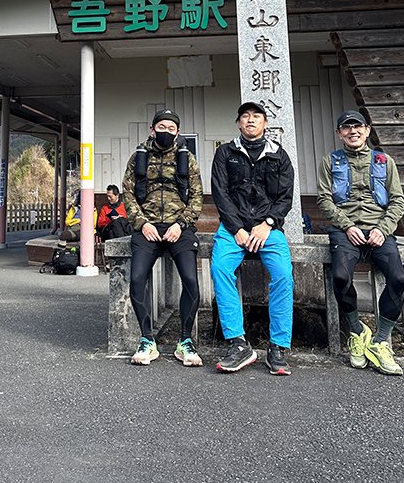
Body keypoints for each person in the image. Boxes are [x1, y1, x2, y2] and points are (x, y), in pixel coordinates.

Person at [316, 110, 404, 376]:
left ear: (367, 130)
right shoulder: (329, 161)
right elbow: (324, 199)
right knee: (341, 277)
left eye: (358, 127)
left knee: (399, 278)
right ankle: (357, 331)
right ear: (339, 133)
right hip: (345, 231)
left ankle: (381, 341)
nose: (353, 132)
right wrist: (347, 226)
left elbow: (398, 200)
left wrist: (383, 228)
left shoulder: (384, 161)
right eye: (347, 128)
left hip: (380, 229)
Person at [210, 101, 294, 375]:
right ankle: (238, 343)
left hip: (268, 230)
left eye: (256, 116)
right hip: (233, 229)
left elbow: (284, 198)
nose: (250, 120)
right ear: (238, 123)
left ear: (265, 123)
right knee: (221, 269)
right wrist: (237, 229)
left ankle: (277, 346)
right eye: (245, 116)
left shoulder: (279, 156)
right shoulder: (225, 153)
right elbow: (220, 194)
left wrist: (267, 224)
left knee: (283, 275)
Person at [121, 109, 204, 367]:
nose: (166, 132)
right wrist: (141, 223)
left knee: (190, 280)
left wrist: (181, 224)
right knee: (137, 279)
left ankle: (185, 342)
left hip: (178, 227)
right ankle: (147, 340)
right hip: (147, 227)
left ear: (177, 132)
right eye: (161, 127)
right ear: (152, 128)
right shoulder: (138, 158)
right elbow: (128, 194)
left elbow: (197, 197)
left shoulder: (186, 158)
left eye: (171, 128)